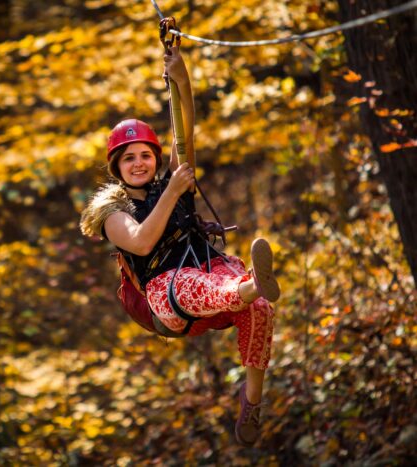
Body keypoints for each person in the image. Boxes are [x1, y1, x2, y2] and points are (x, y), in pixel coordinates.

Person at [79, 46, 281, 447]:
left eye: (145, 156)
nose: (139, 164)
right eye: (128, 159)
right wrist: (173, 190)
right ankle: (247, 286)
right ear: (116, 167)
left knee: (259, 308)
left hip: (209, 272)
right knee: (196, 283)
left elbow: (183, 132)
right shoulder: (112, 212)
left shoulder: (171, 178)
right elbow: (141, 241)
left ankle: (252, 402)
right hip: (168, 300)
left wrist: (182, 79)